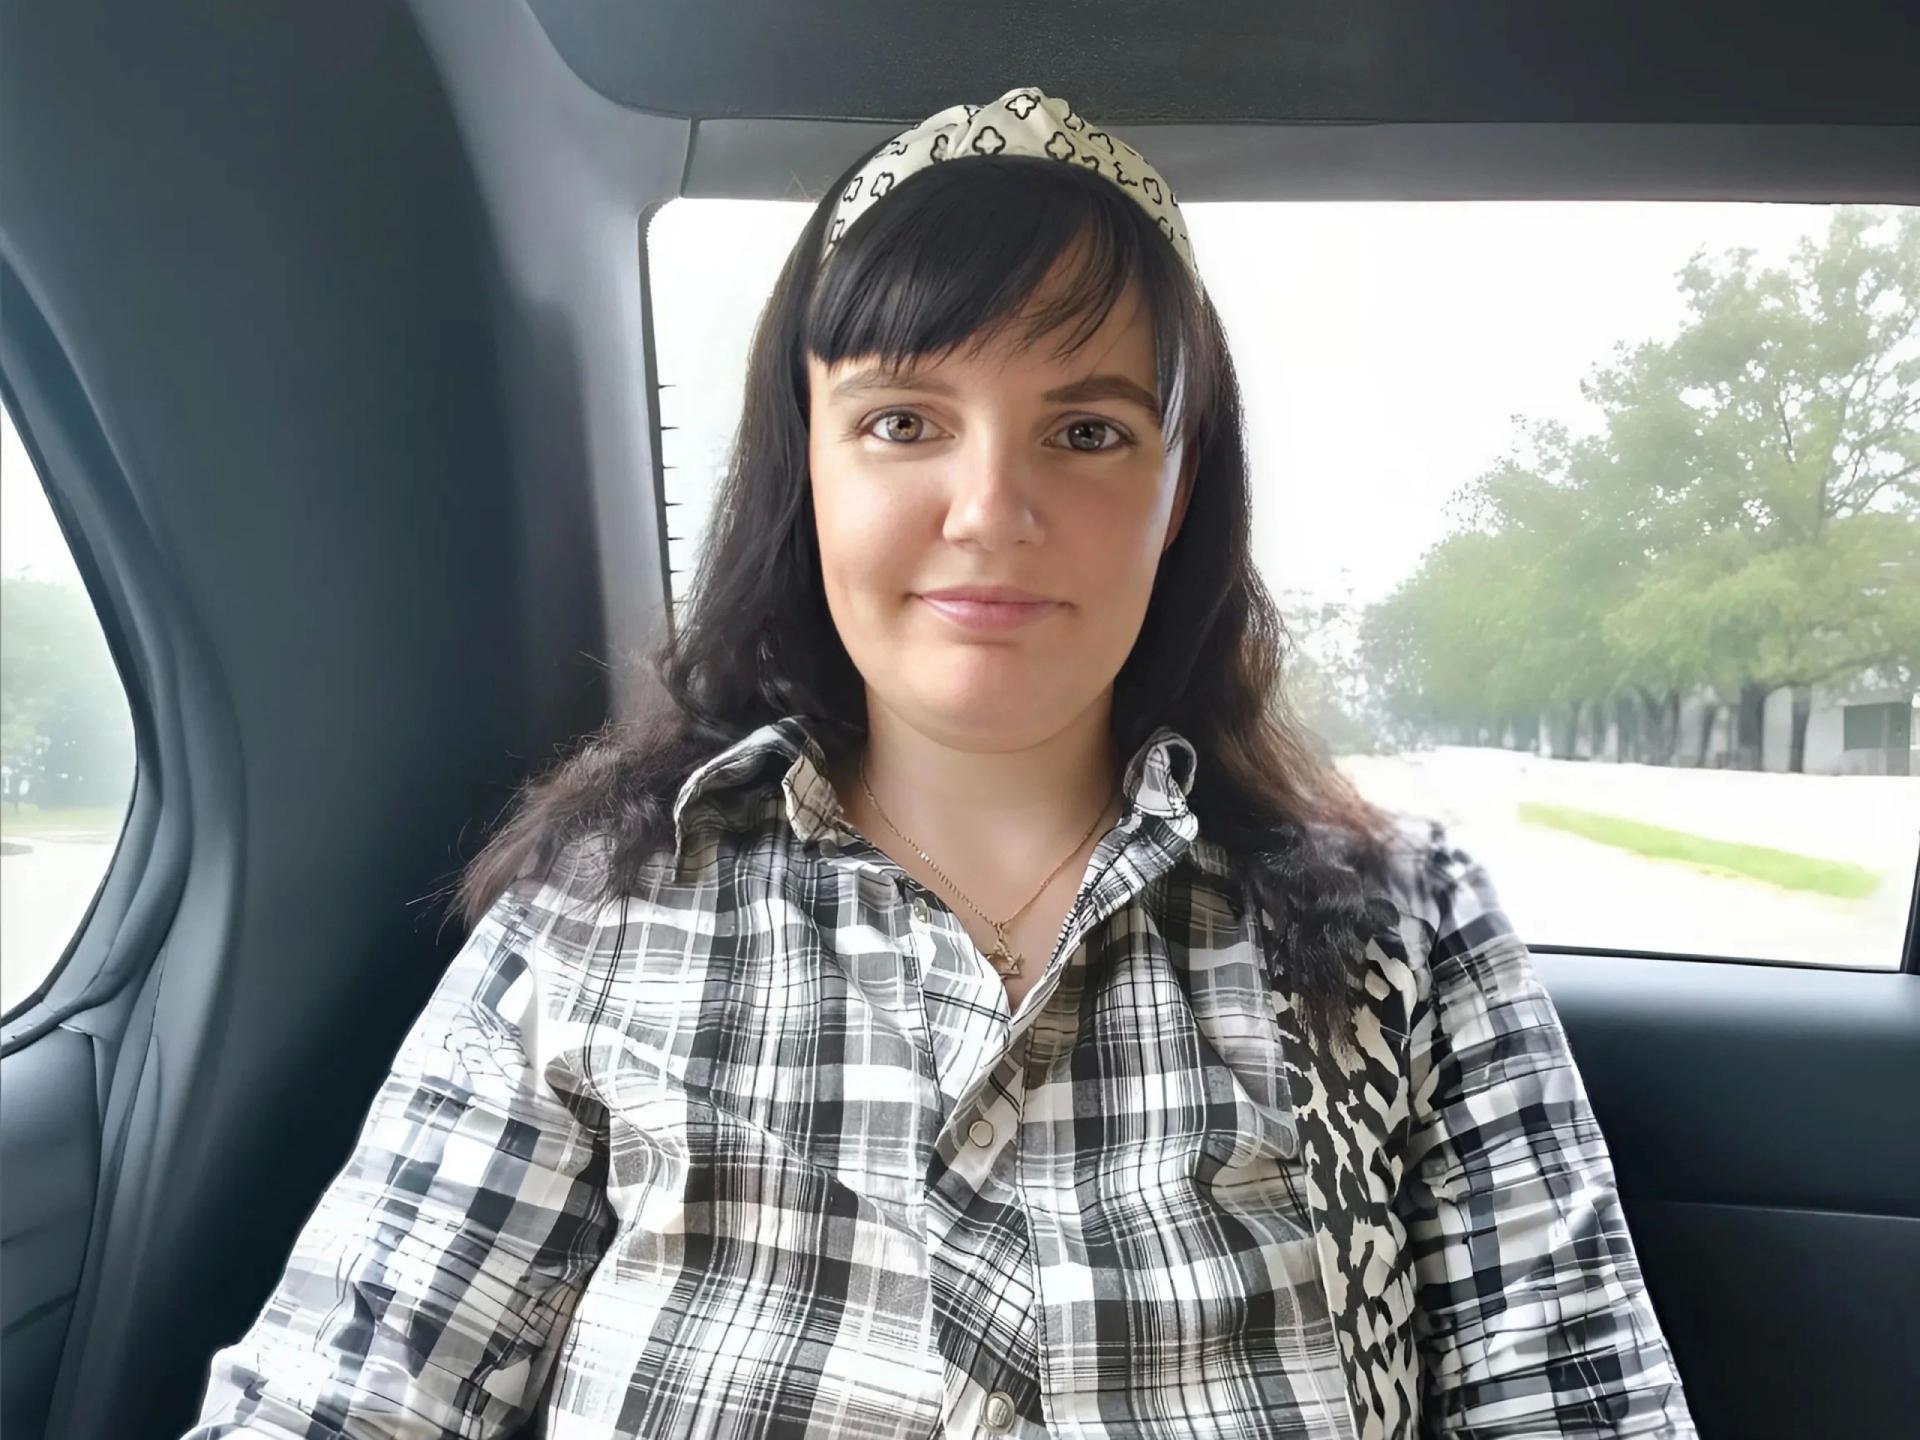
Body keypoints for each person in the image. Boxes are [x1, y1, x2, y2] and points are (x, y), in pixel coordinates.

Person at [184, 87, 1695, 1439]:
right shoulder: (596, 908)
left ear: (1178, 495)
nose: (988, 508)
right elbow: (338, 1398)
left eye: (1087, 433)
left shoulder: (1405, 929)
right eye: (904, 421)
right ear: (810, 466)